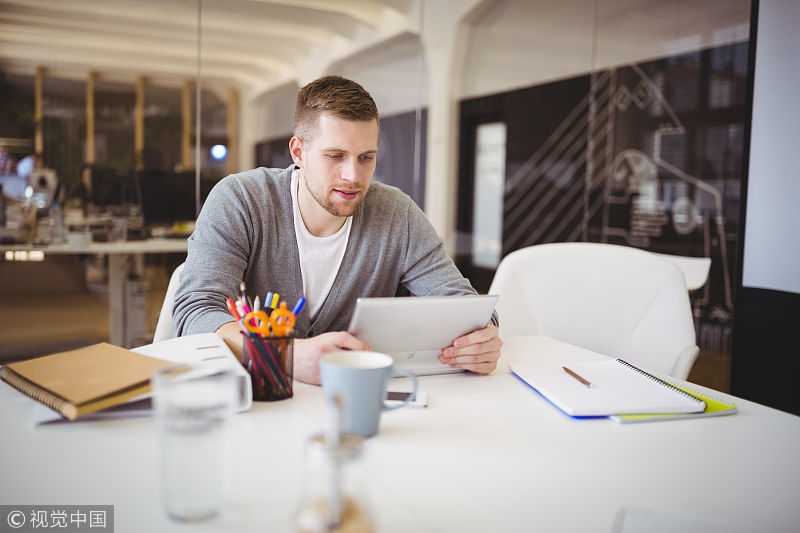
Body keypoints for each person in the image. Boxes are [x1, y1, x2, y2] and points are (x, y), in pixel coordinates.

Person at [173, 75, 502, 385]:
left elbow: (462, 305)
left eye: (366, 157)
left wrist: (482, 338)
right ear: (299, 152)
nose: (353, 175)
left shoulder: (396, 213)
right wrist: (284, 356)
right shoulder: (241, 199)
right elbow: (196, 313)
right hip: (261, 397)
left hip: (352, 401)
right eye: (336, 156)